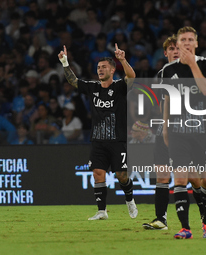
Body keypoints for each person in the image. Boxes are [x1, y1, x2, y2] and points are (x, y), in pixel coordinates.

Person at [58, 43, 137, 220]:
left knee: (121, 176)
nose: (100, 70)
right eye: (98, 68)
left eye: (104, 67)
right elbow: (73, 81)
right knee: (97, 173)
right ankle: (102, 211)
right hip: (98, 141)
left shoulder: (119, 87)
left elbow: (131, 76)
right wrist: (65, 62)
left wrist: (122, 60)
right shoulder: (93, 88)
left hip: (118, 140)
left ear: (112, 69)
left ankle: (130, 200)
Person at [142, 35, 205, 231]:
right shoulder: (163, 73)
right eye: (170, 49)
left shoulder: (192, 70)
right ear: (165, 53)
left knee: (194, 178)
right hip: (165, 129)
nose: (175, 51)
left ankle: (205, 217)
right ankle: (161, 220)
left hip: (187, 130)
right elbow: (162, 104)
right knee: (161, 176)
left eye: (177, 48)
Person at [162, 27, 206, 239]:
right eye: (182, 39)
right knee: (181, 179)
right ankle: (185, 228)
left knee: (205, 181)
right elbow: (167, 99)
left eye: (189, 39)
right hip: (177, 131)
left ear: (196, 43)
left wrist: (192, 64)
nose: (185, 42)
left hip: (203, 131)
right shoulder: (168, 70)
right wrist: (165, 127)